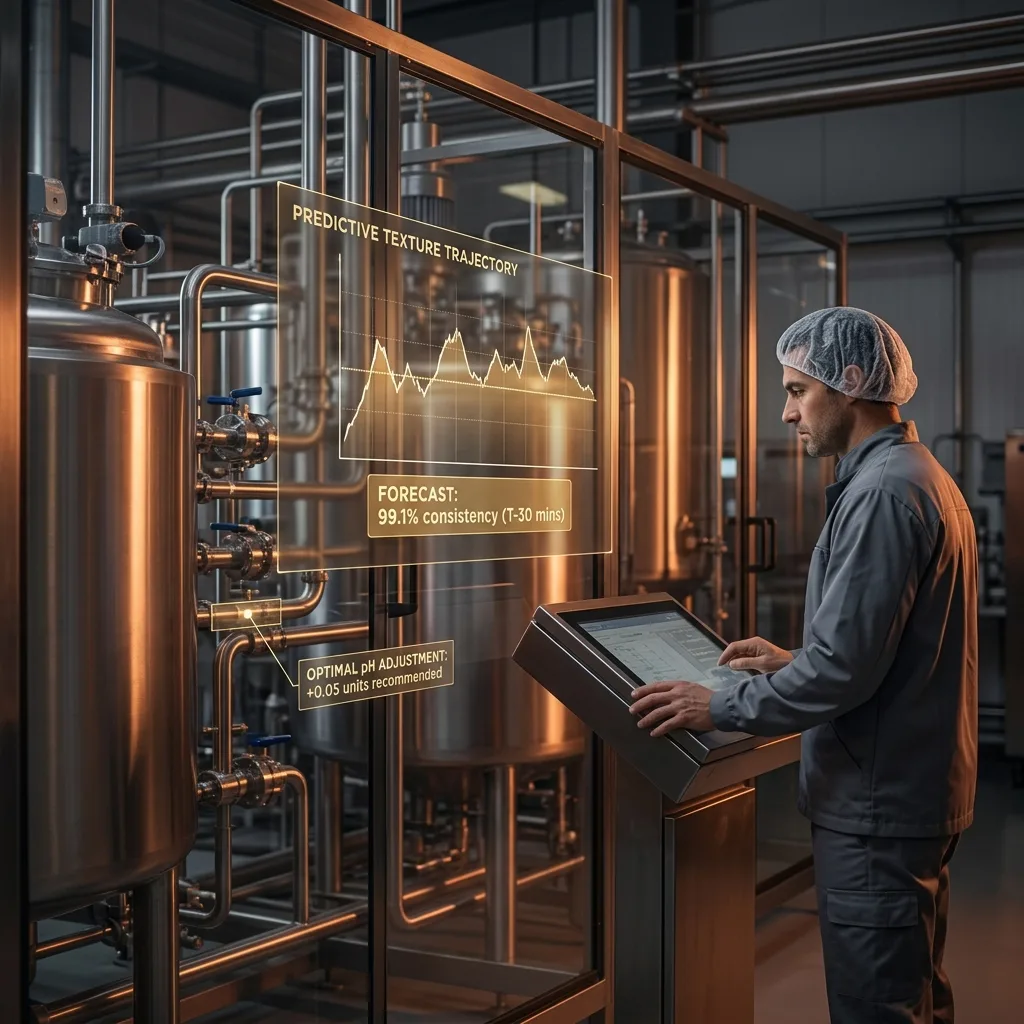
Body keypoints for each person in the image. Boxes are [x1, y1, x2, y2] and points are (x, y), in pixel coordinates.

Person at [630, 306, 978, 1024]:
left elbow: (843, 674)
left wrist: (715, 706)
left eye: (796, 390)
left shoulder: (883, 494)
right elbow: (886, 647)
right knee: (915, 993)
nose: (786, 413)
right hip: (911, 788)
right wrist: (795, 658)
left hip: (877, 806)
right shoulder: (916, 476)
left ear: (849, 384)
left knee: (877, 1008)